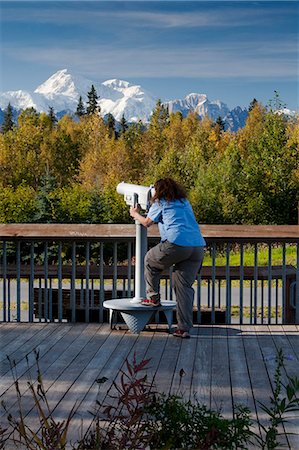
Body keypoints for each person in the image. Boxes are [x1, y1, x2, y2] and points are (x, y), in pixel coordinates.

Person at [130, 177, 205, 339]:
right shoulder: (184, 202)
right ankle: (183, 328)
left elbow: (147, 222)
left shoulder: (161, 203)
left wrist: (135, 214)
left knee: (150, 259)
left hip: (177, 243)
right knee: (183, 286)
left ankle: (153, 298)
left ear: (159, 191)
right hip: (197, 246)